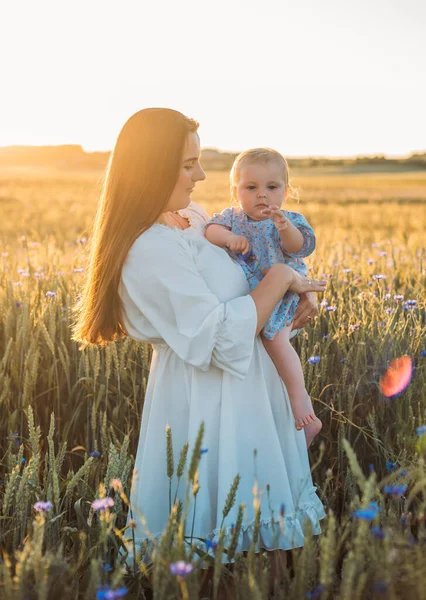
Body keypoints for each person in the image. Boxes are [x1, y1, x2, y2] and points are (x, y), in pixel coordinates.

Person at [72, 108, 326, 591]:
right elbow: (214, 335)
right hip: (207, 402)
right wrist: (281, 279)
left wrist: (296, 285)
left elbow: (246, 276)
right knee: (217, 537)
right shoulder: (149, 249)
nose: (203, 175)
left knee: (267, 528)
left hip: (250, 389)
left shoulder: (191, 220)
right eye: (189, 163)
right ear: (154, 166)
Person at [205, 148, 322, 447]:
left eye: (272, 187)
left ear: (286, 190)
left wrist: (285, 229)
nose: (262, 196)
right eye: (251, 187)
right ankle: (278, 412)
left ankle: (303, 407)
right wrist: (229, 238)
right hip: (258, 293)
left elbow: (299, 247)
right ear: (235, 191)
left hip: (284, 294)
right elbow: (210, 230)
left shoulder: (290, 220)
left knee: (276, 341)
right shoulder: (232, 218)